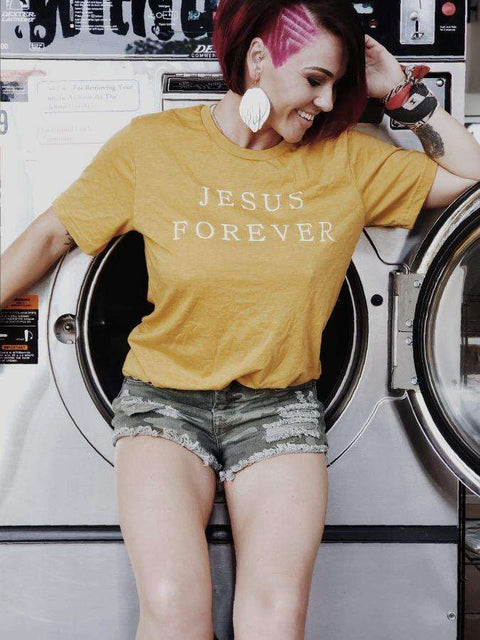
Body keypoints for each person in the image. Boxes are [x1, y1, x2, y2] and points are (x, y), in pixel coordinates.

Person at [1, 1, 479, 638]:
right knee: (172, 606)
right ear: (258, 59)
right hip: (163, 402)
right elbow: (51, 235)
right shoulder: (154, 145)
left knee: (275, 620)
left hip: (280, 404)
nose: (325, 101)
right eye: (314, 79)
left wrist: (399, 92)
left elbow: (471, 180)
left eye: (337, 84)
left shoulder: (347, 161)